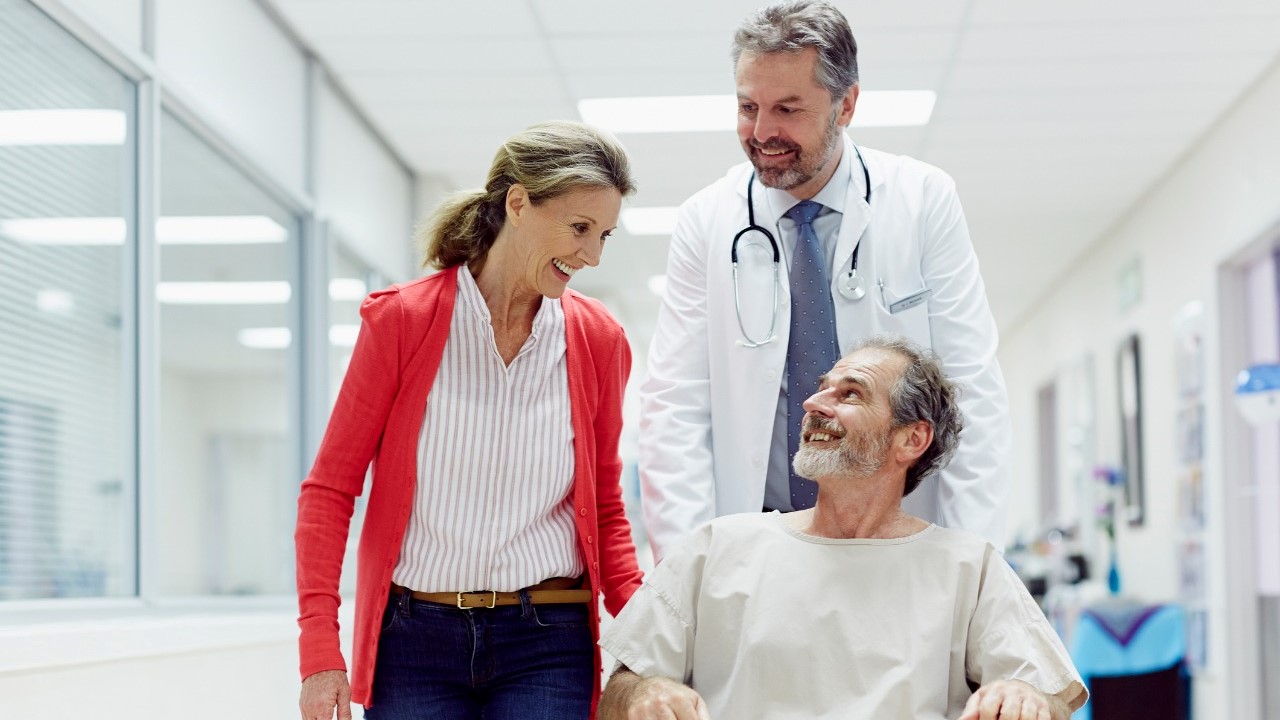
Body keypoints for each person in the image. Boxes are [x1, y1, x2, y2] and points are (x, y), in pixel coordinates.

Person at [295, 121, 644, 720]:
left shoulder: (598, 341)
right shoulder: (402, 322)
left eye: (604, 235)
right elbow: (330, 491)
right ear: (517, 203)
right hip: (413, 641)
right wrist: (319, 651)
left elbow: (606, 508)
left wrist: (648, 642)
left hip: (548, 640)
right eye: (579, 228)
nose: (592, 255)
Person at [638, 0, 1011, 560]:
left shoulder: (922, 199)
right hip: (756, 543)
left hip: (898, 538)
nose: (763, 132)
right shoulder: (706, 219)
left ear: (847, 104)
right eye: (747, 107)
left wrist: (971, 560)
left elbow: (970, 390)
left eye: (788, 109)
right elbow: (676, 407)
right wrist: (688, 568)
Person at [602, 336, 1087, 720]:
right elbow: (619, 690)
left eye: (850, 393)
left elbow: (1052, 698)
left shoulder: (968, 567)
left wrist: (1025, 696)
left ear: (911, 438)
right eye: (821, 387)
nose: (814, 402)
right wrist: (646, 690)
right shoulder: (717, 548)